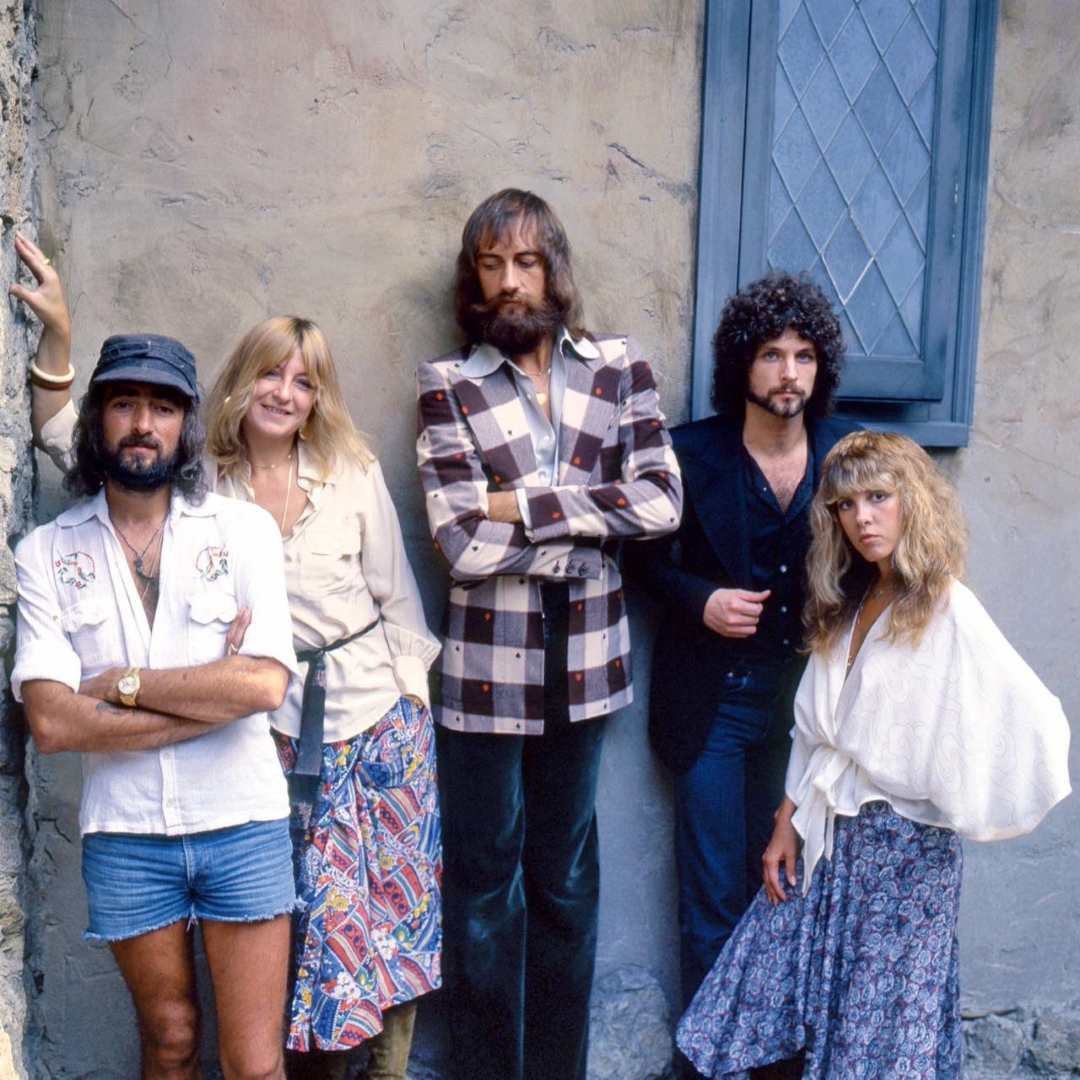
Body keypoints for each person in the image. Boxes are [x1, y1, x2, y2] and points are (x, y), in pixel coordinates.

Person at [14, 234, 442, 1080]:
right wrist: (57, 341)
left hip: (357, 729)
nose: (285, 392)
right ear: (240, 384)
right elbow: (67, 436)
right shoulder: (191, 483)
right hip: (250, 754)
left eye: (304, 380)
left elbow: (387, 611)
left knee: (373, 933)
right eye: (271, 374)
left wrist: (407, 720)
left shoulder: (331, 479)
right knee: (256, 984)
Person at [675, 430, 1071, 1080]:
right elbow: (813, 732)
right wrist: (785, 823)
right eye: (846, 504)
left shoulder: (947, 607)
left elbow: (1031, 718)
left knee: (880, 1033)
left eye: (879, 497)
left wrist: (946, 788)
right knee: (766, 992)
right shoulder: (849, 602)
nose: (862, 518)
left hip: (908, 855)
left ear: (912, 500)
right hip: (831, 837)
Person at [415, 188, 682, 1080]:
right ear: (473, 279)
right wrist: (587, 532)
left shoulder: (618, 368)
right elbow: (459, 541)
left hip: (588, 662)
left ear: (553, 269)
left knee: (566, 884)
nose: (509, 282)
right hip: (485, 671)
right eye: (491, 265)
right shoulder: (448, 384)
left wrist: (520, 504)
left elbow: (661, 502)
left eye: (525, 262)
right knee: (484, 885)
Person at [11, 331, 300, 1080]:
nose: (143, 423)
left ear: (186, 424)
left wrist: (117, 684)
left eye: (163, 407)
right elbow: (52, 722)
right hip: (127, 835)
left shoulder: (242, 532)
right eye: (125, 404)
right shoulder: (46, 553)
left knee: (254, 1062)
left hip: (241, 822)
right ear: (96, 419)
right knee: (170, 1040)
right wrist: (210, 697)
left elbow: (264, 687)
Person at [625, 272, 859, 1012]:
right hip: (713, 705)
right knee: (714, 899)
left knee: (788, 888)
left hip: (806, 709)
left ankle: (777, 1055)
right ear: (742, 364)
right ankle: (707, 1058)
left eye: (804, 356)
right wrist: (701, 600)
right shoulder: (689, 453)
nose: (789, 373)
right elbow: (637, 559)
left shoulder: (844, 455)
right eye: (771, 355)